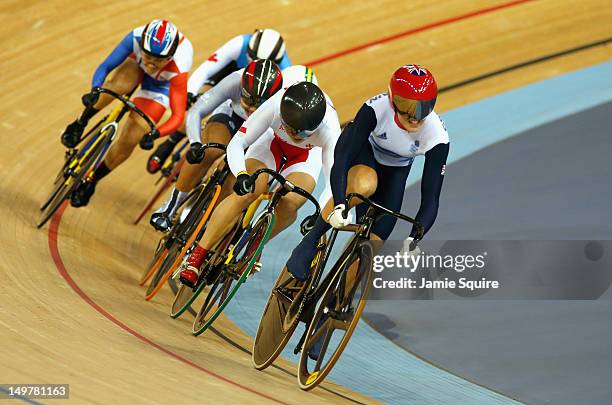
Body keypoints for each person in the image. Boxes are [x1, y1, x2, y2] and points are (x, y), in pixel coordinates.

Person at [178, 81, 340, 288]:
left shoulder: (330, 129)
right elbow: (238, 143)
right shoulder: (273, 106)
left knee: (291, 202)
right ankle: (197, 255)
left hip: (306, 158)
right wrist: (242, 174)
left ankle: (257, 244)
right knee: (248, 192)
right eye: (291, 129)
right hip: (270, 145)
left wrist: (320, 216)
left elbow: (333, 181)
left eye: (303, 134)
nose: (296, 136)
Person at [61, 19, 193, 207]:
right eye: (148, 56)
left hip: (160, 86)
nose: (152, 63)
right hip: (134, 66)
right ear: (142, 46)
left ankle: (92, 180)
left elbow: (178, 115)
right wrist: (94, 90)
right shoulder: (136, 37)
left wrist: (155, 134)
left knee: (130, 139)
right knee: (116, 87)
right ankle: (80, 123)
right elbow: (105, 67)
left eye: (159, 60)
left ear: (170, 56)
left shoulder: (180, 64)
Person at [149, 59, 284, 231]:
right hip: (231, 117)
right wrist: (195, 143)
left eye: (259, 105)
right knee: (210, 150)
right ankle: (169, 208)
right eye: (248, 101)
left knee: (235, 183)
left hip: (259, 133)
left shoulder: (280, 103)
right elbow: (196, 111)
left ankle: (205, 228)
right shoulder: (235, 80)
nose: (251, 109)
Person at [147, 28, 292, 173]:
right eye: (252, 57)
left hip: (255, 95)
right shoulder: (240, 43)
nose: (255, 63)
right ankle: (169, 143)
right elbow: (207, 68)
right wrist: (191, 92)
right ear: (249, 49)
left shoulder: (286, 70)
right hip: (230, 76)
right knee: (198, 103)